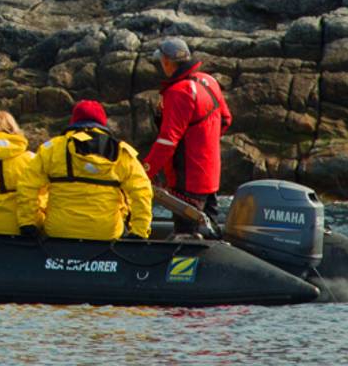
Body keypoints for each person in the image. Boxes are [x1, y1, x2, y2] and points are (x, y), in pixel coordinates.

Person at [17, 100, 152, 240]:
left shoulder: (52, 148)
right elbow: (141, 191)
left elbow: (27, 185)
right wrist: (139, 232)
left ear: (74, 120)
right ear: (102, 122)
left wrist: (28, 224)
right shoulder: (121, 151)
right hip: (106, 233)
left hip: (59, 230)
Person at [143, 38, 232, 234]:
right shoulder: (209, 81)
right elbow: (226, 120)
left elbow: (167, 141)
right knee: (209, 229)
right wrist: (203, 143)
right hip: (210, 173)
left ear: (166, 62)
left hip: (188, 176)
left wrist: (145, 171)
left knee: (187, 234)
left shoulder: (178, 92)